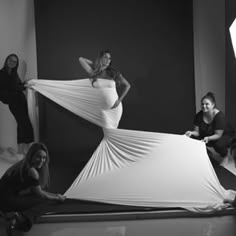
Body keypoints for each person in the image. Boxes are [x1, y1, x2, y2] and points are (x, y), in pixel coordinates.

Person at [0, 142, 66, 234]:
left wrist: (56, 195)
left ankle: (14, 216)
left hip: (4, 199)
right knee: (47, 202)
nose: (41, 160)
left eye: (44, 158)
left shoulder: (23, 164)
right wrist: (56, 198)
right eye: (38, 157)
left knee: (41, 198)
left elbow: (37, 191)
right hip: (5, 202)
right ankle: (19, 219)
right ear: (31, 156)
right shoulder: (32, 171)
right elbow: (40, 194)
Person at [185, 92, 235, 164]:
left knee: (218, 145)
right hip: (209, 133)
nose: (204, 106)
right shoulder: (199, 115)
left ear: (213, 105)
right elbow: (197, 132)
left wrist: (208, 138)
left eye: (207, 104)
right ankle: (208, 153)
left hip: (224, 135)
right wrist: (191, 132)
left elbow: (218, 135)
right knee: (193, 137)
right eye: (202, 104)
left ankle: (225, 155)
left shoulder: (220, 116)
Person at [0, 54, 34, 155]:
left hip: (21, 101)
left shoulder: (15, 74)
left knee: (21, 124)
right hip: (14, 102)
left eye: (15, 62)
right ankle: (28, 149)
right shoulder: (1, 73)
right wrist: (20, 88)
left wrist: (25, 83)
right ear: (6, 61)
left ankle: (20, 150)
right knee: (25, 124)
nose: (12, 63)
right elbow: (7, 90)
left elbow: (18, 86)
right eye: (10, 60)